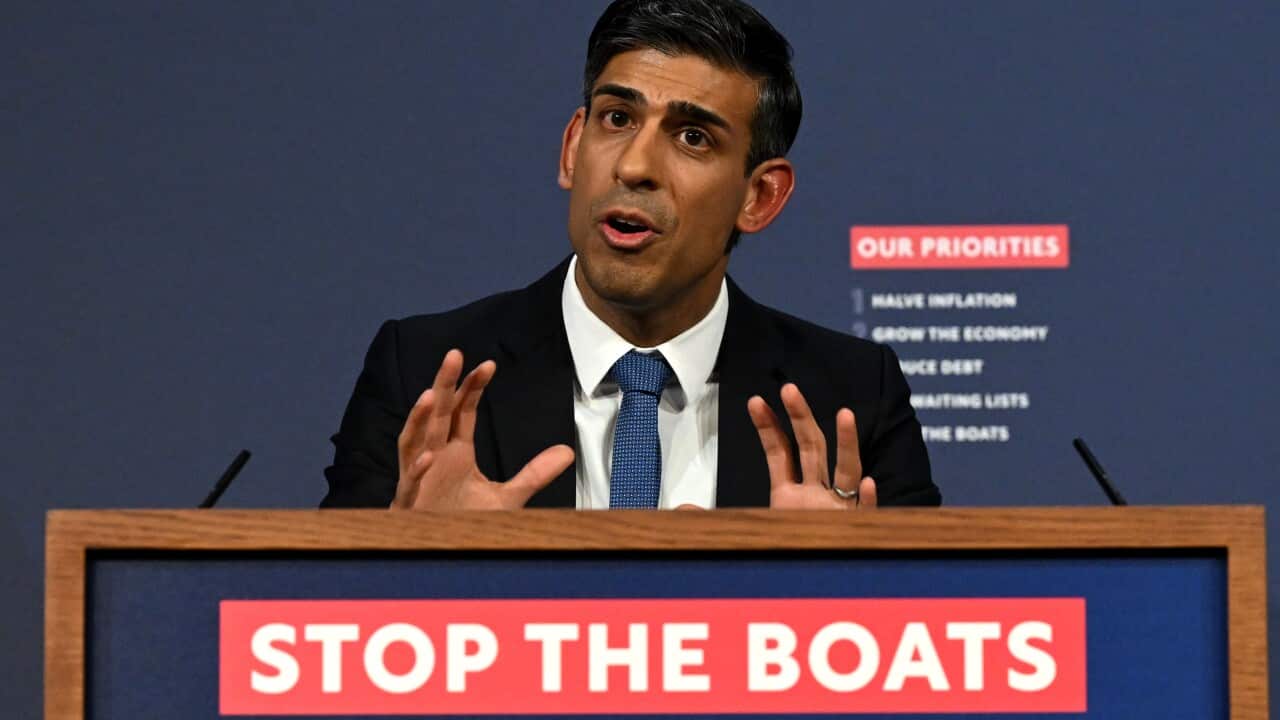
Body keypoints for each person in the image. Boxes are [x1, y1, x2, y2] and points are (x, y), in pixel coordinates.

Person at [322, 0, 939, 511]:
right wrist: (414, 560)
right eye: (617, 118)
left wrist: (840, 582)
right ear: (571, 148)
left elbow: (938, 638)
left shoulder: (851, 399)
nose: (634, 165)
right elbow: (321, 632)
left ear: (759, 196)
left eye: (692, 137)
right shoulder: (423, 376)